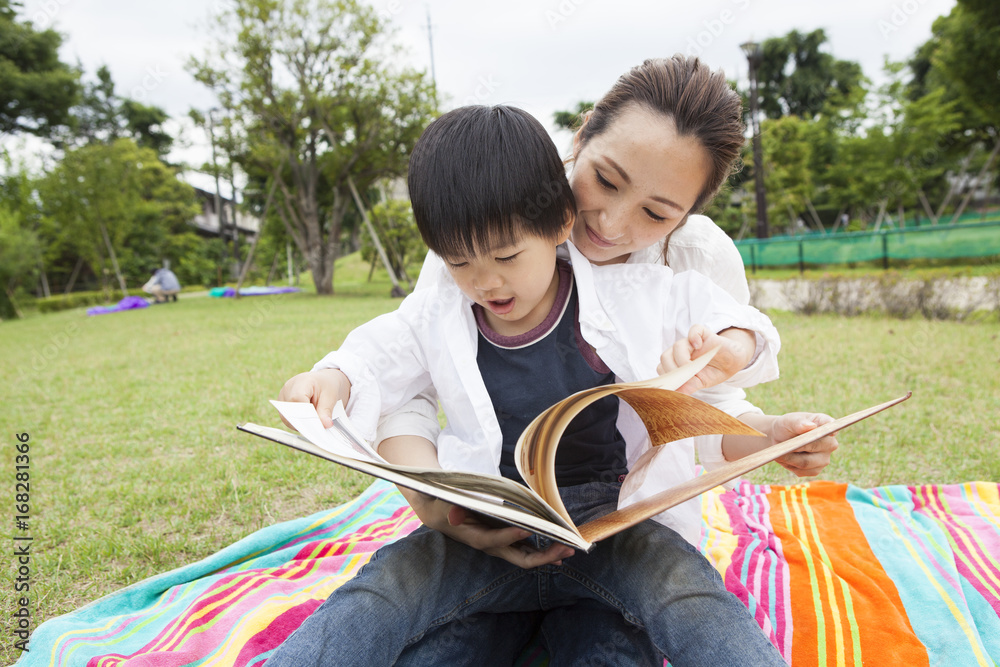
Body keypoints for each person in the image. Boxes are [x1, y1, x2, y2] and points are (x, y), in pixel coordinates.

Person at [267, 104, 786, 666]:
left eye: (507, 257)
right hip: (492, 532)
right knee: (385, 590)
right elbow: (374, 355)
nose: (486, 281)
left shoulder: (637, 289)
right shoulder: (441, 304)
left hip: (614, 532)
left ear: (560, 223)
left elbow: (728, 319)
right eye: (460, 263)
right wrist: (330, 378)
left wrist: (733, 342)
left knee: (682, 596)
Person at [374, 55, 840, 663]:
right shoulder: (485, 232)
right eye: (607, 179)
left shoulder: (695, 261)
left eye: (657, 213)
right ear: (583, 132)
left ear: (691, 210)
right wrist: (435, 507)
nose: (612, 225)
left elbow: (701, 420)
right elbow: (407, 387)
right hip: (488, 523)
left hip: (624, 534)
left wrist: (774, 434)